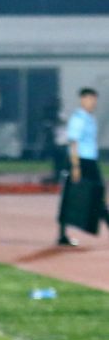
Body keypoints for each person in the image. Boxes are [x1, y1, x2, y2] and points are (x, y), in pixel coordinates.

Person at [57, 87, 108, 246]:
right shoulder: (78, 118)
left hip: (90, 160)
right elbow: (74, 142)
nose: (93, 103)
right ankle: (62, 235)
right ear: (83, 99)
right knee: (70, 197)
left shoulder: (90, 118)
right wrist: (76, 166)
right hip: (79, 161)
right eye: (90, 99)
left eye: (95, 100)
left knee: (98, 193)